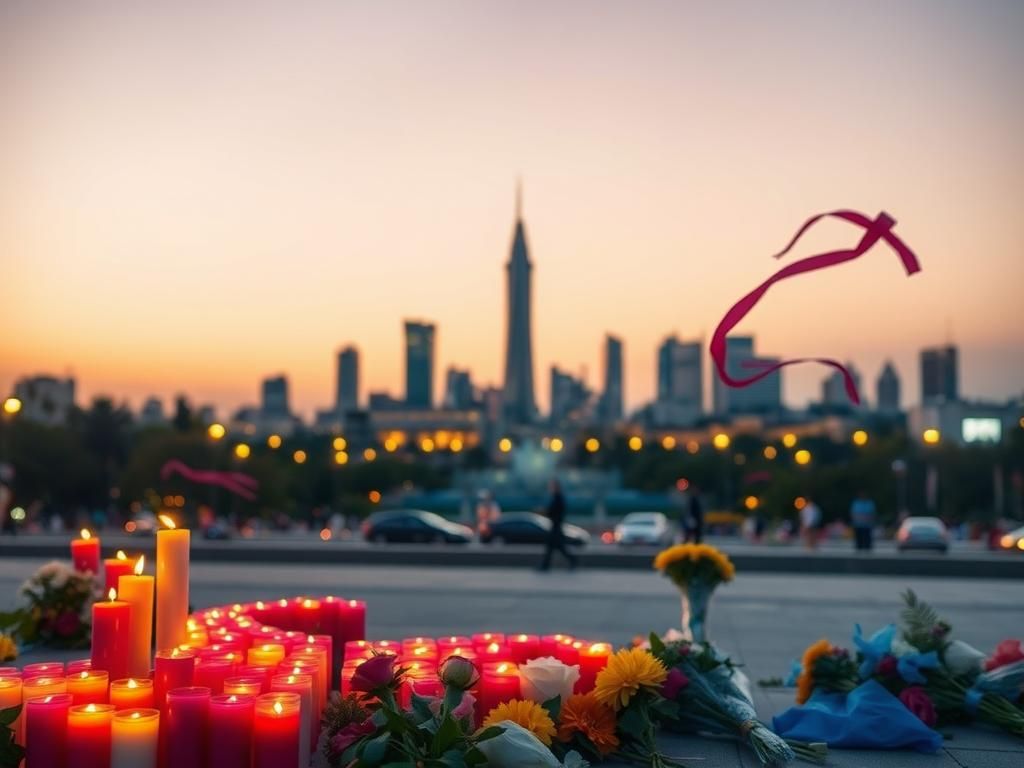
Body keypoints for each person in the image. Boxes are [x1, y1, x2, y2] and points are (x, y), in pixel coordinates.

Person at [539, 478, 578, 571]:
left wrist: (545, 512)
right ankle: (546, 565)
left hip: (556, 526)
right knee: (556, 547)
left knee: (555, 547)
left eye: (551, 486)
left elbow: (554, 511)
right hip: (556, 525)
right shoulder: (558, 497)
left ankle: (546, 566)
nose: (550, 488)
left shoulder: (558, 497)